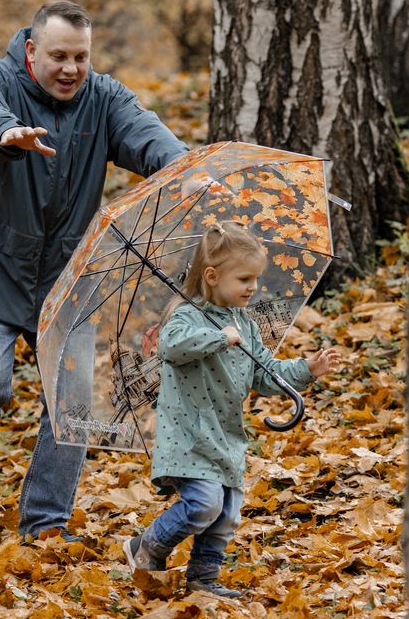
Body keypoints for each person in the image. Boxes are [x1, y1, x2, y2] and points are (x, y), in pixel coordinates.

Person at [0, 0, 189, 544]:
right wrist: (6, 134)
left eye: (81, 56)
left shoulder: (103, 98)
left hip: (64, 277)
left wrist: (183, 166)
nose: (70, 69)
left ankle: (45, 523)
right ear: (31, 49)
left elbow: (145, 133)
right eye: (58, 56)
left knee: (70, 403)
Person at [123, 222, 343, 599]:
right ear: (212, 276)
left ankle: (203, 580)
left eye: (256, 278)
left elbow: (264, 372)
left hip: (226, 434)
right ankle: (147, 545)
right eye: (244, 278)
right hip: (190, 435)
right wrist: (218, 337)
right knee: (203, 505)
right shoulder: (186, 316)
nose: (253, 287)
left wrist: (307, 369)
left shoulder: (245, 323)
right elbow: (172, 347)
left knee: (225, 514)